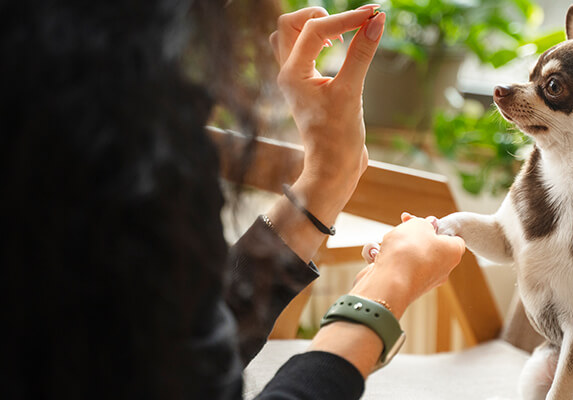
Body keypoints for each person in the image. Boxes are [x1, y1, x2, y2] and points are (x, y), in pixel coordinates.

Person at [0, 1, 465, 399]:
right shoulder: (116, 136)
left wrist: (327, 177)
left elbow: (170, 354)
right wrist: (382, 293)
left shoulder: (59, 98)